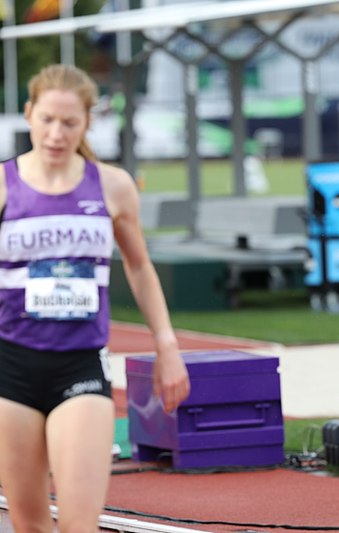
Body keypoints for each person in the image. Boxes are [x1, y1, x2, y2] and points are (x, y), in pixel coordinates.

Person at [0, 64, 191, 532]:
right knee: (27, 523)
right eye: (46, 119)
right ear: (29, 113)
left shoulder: (112, 186)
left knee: (79, 525)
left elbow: (139, 265)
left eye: (70, 122)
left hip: (81, 365)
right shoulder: (5, 183)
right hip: (10, 367)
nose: (56, 133)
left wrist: (167, 346)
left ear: (88, 122)